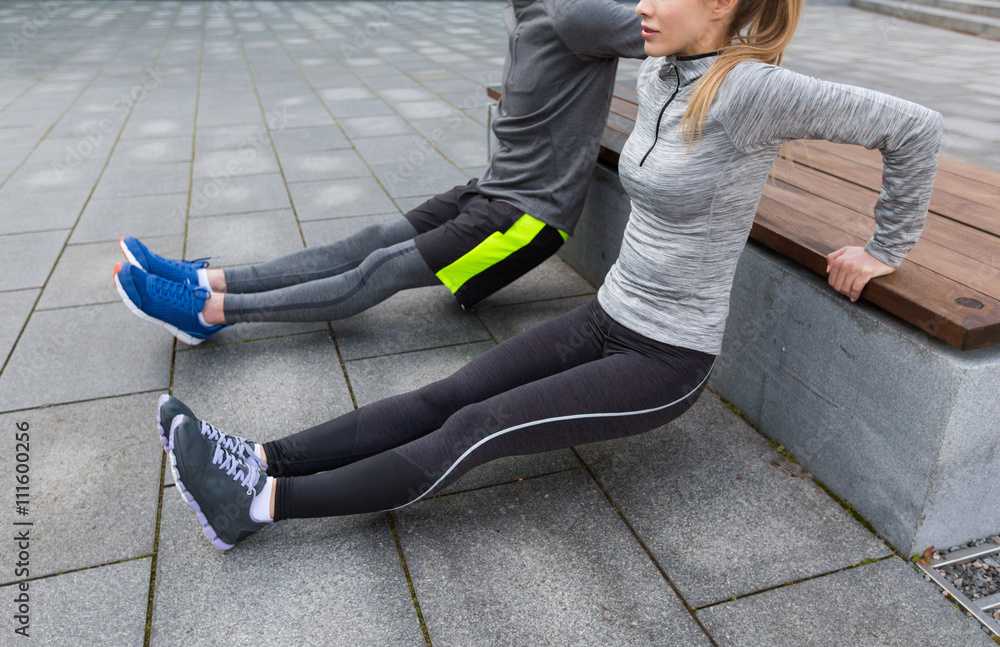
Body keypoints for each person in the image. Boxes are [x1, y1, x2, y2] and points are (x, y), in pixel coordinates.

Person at [159, 0, 943, 550]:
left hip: (664, 357)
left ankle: (256, 506)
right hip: (607, 317)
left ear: (722, 7)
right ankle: (260, 457)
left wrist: (885, 246)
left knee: (475, 430)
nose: (642, 5)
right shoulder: (664, 72)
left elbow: (913, 127)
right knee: (447, 394)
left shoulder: (755, 90)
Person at [112, 0, 646, 345]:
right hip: (490, 190)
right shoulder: (531, 8)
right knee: (372, 238)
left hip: (530, 216)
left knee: (381, 267)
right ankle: (207, 279)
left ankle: (210, 311)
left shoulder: (578, 13)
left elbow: (683, 29)